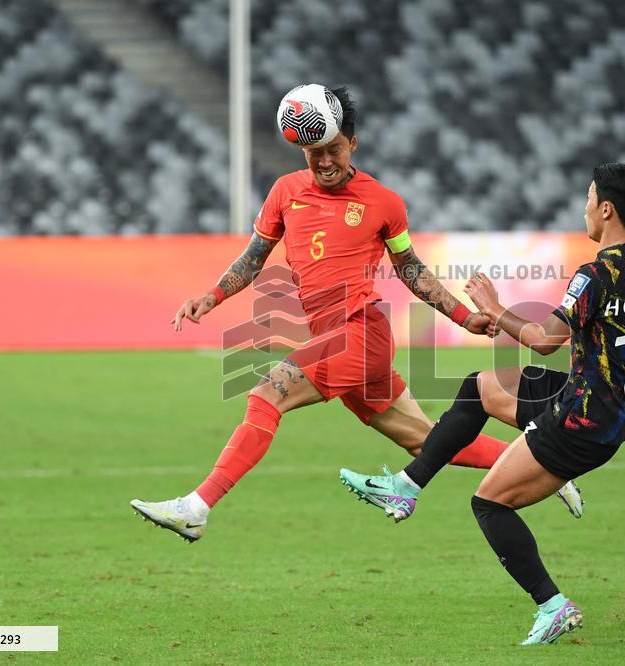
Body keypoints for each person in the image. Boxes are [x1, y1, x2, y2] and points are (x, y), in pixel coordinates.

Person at [130, 86, 582, 542]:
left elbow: (411, 270)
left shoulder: (383, 202)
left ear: (353, 143)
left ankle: (197, 506)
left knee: (266, 396)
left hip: (360, 333)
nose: (324, 162)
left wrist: (464, 317)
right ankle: (548, 468)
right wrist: (212, 295)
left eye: (333, 150)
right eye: (313, 153)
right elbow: (254, 257)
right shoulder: (285, 192)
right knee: (426, 439)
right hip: (337, 338)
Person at [339, 163, 625, 645]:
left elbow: (545, 340)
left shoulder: (595, 275)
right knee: (478, 388)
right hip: (603, 406)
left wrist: (494, 307)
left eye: (589, 198)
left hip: (579, 421)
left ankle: (552, 604)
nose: (584, 207)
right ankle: (405, 485)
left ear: (606, 209)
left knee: (488, 503)